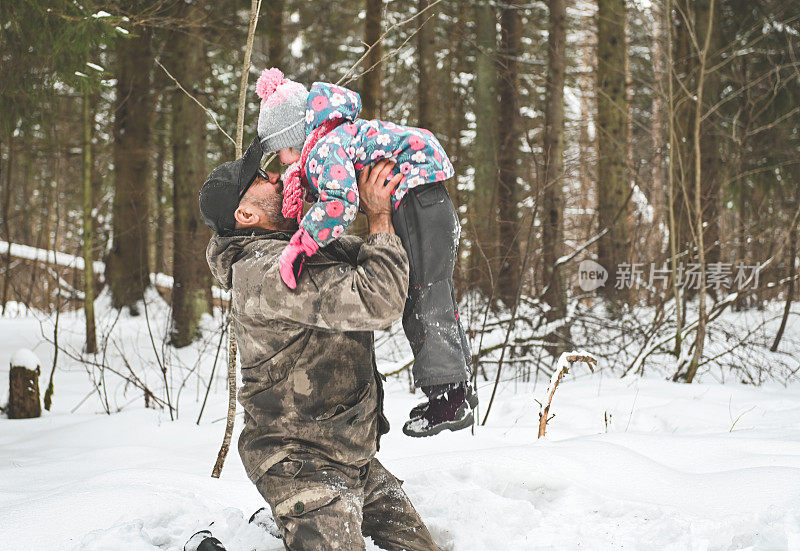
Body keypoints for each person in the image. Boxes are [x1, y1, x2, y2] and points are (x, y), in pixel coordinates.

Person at [198, 136, 442, 551]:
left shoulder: (299, 246)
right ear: (246, 213)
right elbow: (378, 300)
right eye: (261, 178)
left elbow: (378, 260)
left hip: (350, 454)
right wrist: (378, 216)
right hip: (298, 460)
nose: (275, 176)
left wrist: (353, 191)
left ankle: (280, 529)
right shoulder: (265, 271)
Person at [254, 67, 477, 437]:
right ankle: (455, 392)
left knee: (423, 295)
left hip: (419, 203)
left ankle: (450, 401)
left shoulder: (325, 148)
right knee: (431, 291)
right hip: (428, 203)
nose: (280, 161)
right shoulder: (336, 139)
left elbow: (340, 204)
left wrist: (302, 244)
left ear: (293, 135)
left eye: (278, 149)